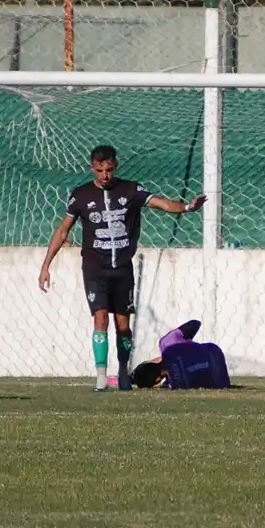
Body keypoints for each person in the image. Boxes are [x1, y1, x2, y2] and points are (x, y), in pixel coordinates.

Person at [38, 145, 204, 391]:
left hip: (122, 268)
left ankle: (123, 371)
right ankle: (101, 377)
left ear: (116, 166)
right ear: (92, 168)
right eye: (100, 170)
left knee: (123, 325)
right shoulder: (81, 195)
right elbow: (63, 231)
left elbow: (163, 204)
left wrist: (188, 208)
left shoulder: (130, 190)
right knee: (100, 318)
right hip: (94, 268)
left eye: (109, 169)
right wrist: (46, 265)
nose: (105, 175)